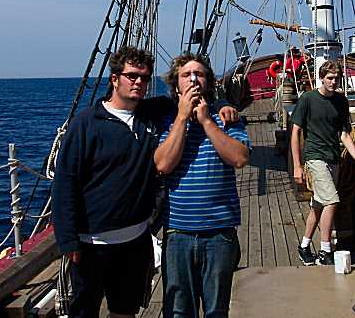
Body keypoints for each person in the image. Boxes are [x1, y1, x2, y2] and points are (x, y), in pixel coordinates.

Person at [52, 46, 240, 318]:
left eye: (144, 77)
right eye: (131, 76)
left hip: (135, 240)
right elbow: (65, 182)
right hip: (93, 243)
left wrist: (223, 105)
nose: (138, 82)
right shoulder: (87, 124)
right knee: (85, 310)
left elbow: (193, 101)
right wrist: (67, 240)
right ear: (115, 79)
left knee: (124, 310)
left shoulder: (152, 114)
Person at [154, 52, 250, 318]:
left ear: (208, 82)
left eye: (200, 74)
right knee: (178, 311)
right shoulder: (166, 120)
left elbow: (239, 158)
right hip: (178, 233)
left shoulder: (226, 118)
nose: (194, 80)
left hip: (219, 233)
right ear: (176, 85)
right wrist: (183, 118)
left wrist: (208, 121)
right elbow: (163, 165)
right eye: (186, 75)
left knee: (216, 311)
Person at [290, 60, 355, 266]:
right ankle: (325, 251)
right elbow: (295, 132)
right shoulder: (308, 99)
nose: (333, 82)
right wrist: (298, 166)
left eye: (336, 78)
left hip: (333, 157)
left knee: (318, 205)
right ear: (321, 77)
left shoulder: (341, 101)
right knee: (332, 201)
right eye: (329, 78)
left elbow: (345, 135)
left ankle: (303, 246)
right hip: (315, 157)